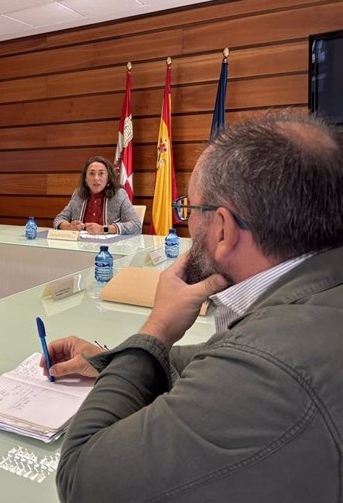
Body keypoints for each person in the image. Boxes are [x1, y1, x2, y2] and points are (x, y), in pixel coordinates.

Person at [44, 112, 343, 502]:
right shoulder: (315, 298)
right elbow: (214, 358)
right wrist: (111, 359)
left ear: (222, 229)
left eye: (189, 210)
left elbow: (83, 479)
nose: (186, 223)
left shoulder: (272, 369)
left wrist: (157, 328)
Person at [53, 156, 141, 235]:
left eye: (101, 173)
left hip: (110, 248)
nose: (96, 178)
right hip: (81, 247)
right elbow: (58, 220)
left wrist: (104, 229)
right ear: (85, 179)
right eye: (91, 173)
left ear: (108, 178)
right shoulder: (78, 194)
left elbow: (136, 225)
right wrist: (69, 226)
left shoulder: (119, 195)